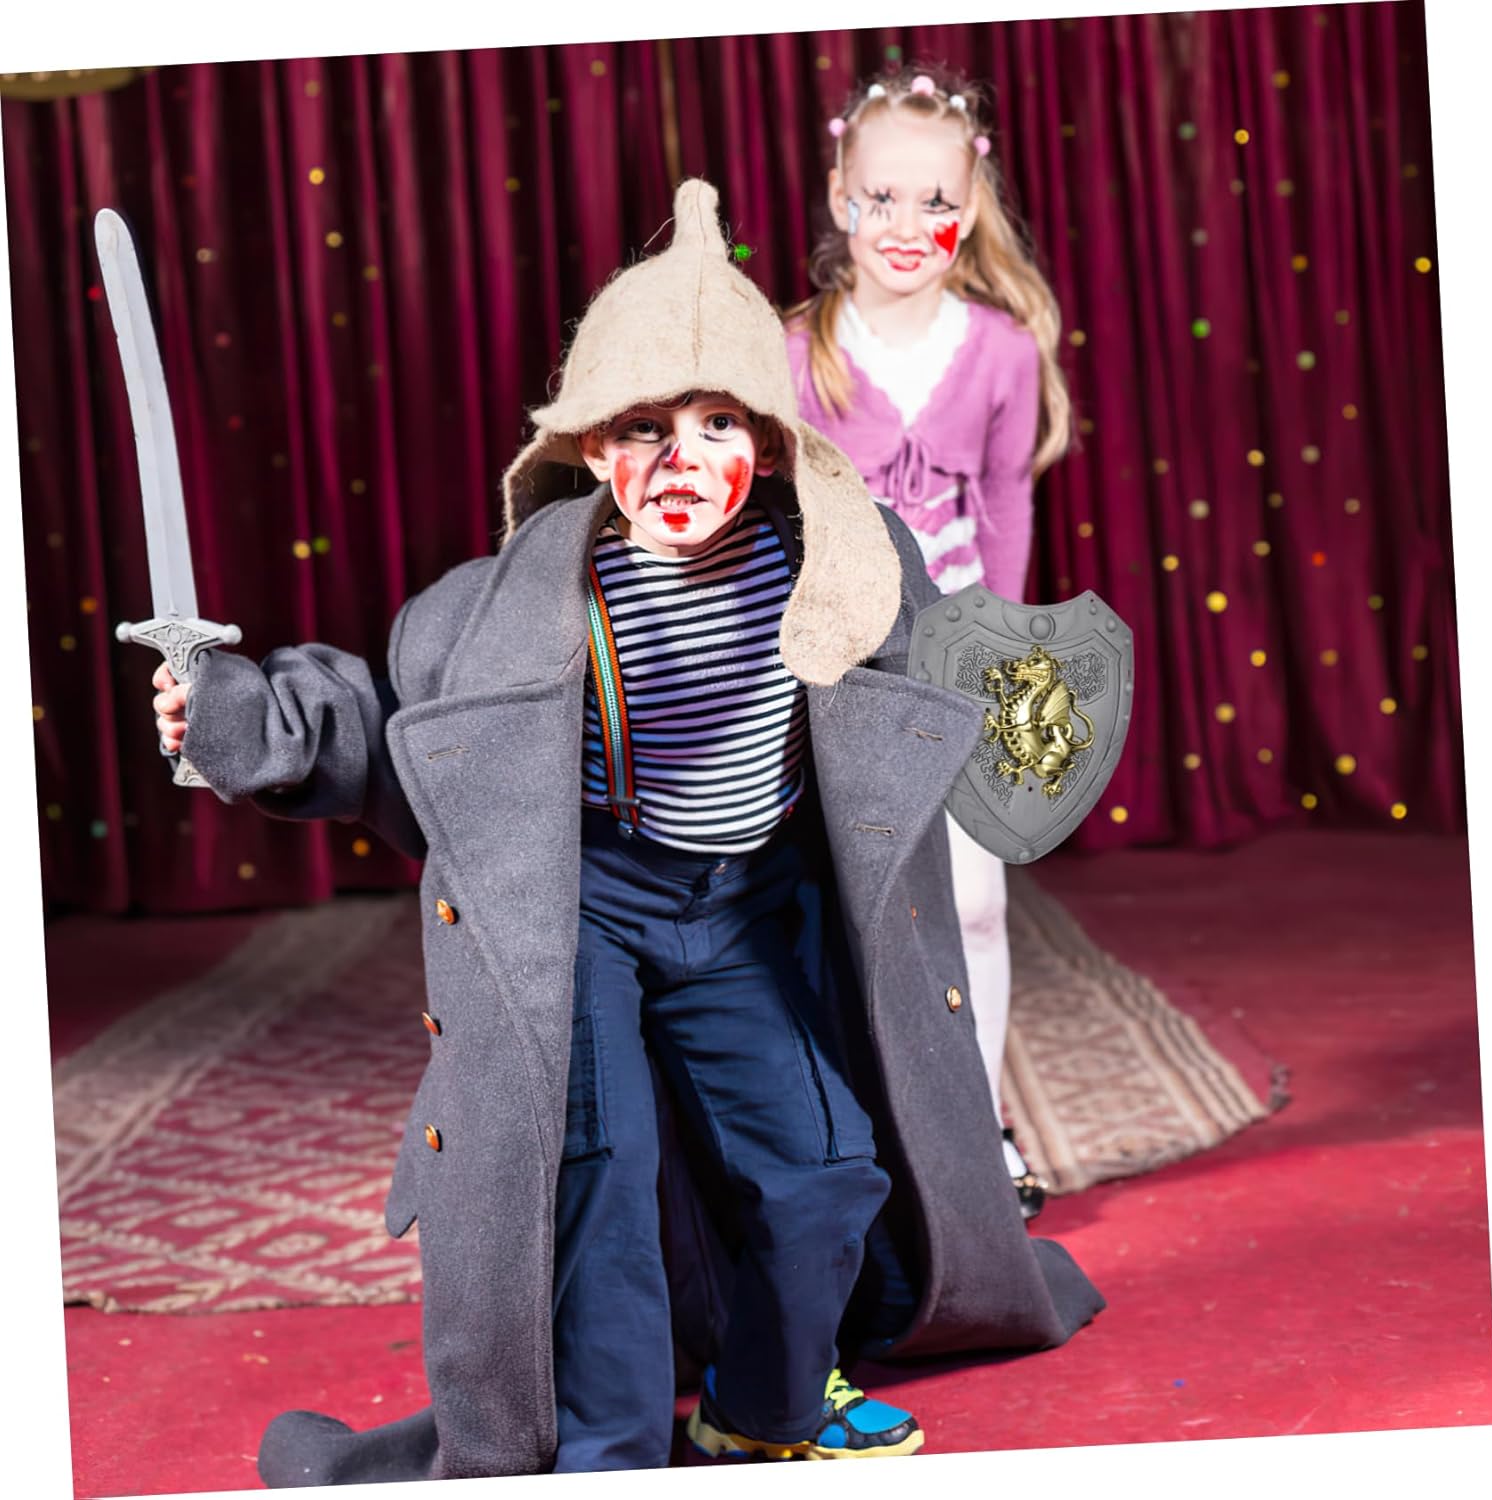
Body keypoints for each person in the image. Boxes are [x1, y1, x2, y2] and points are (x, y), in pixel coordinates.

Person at [151, 178, 1102, 1485]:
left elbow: (950, 678)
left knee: (824, 1170)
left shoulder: (841, 563)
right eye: (644, 428)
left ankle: (761, 1407)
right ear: (593, 445)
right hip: (588, 907)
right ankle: (607, 1456)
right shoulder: (510, 601)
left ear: (770, 443)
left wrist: (1031, 710)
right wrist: (233, 715)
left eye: (717, 424)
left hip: (745, 909)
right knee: (596, 1177)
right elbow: (385, 725)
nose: (679, 460)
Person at [786, 66, 1071, 1217]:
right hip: (839, 672)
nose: (909, 226)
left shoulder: (1001, 351)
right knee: (848, 917)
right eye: (883, 197)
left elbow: (1005, 507)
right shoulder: (795, 351)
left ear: (971, 206)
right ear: (841, 197)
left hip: (957, 667)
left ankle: (980, 1127)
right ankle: (859, 1137)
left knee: (975, 904)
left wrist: (1002, 662)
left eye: (937, 202)